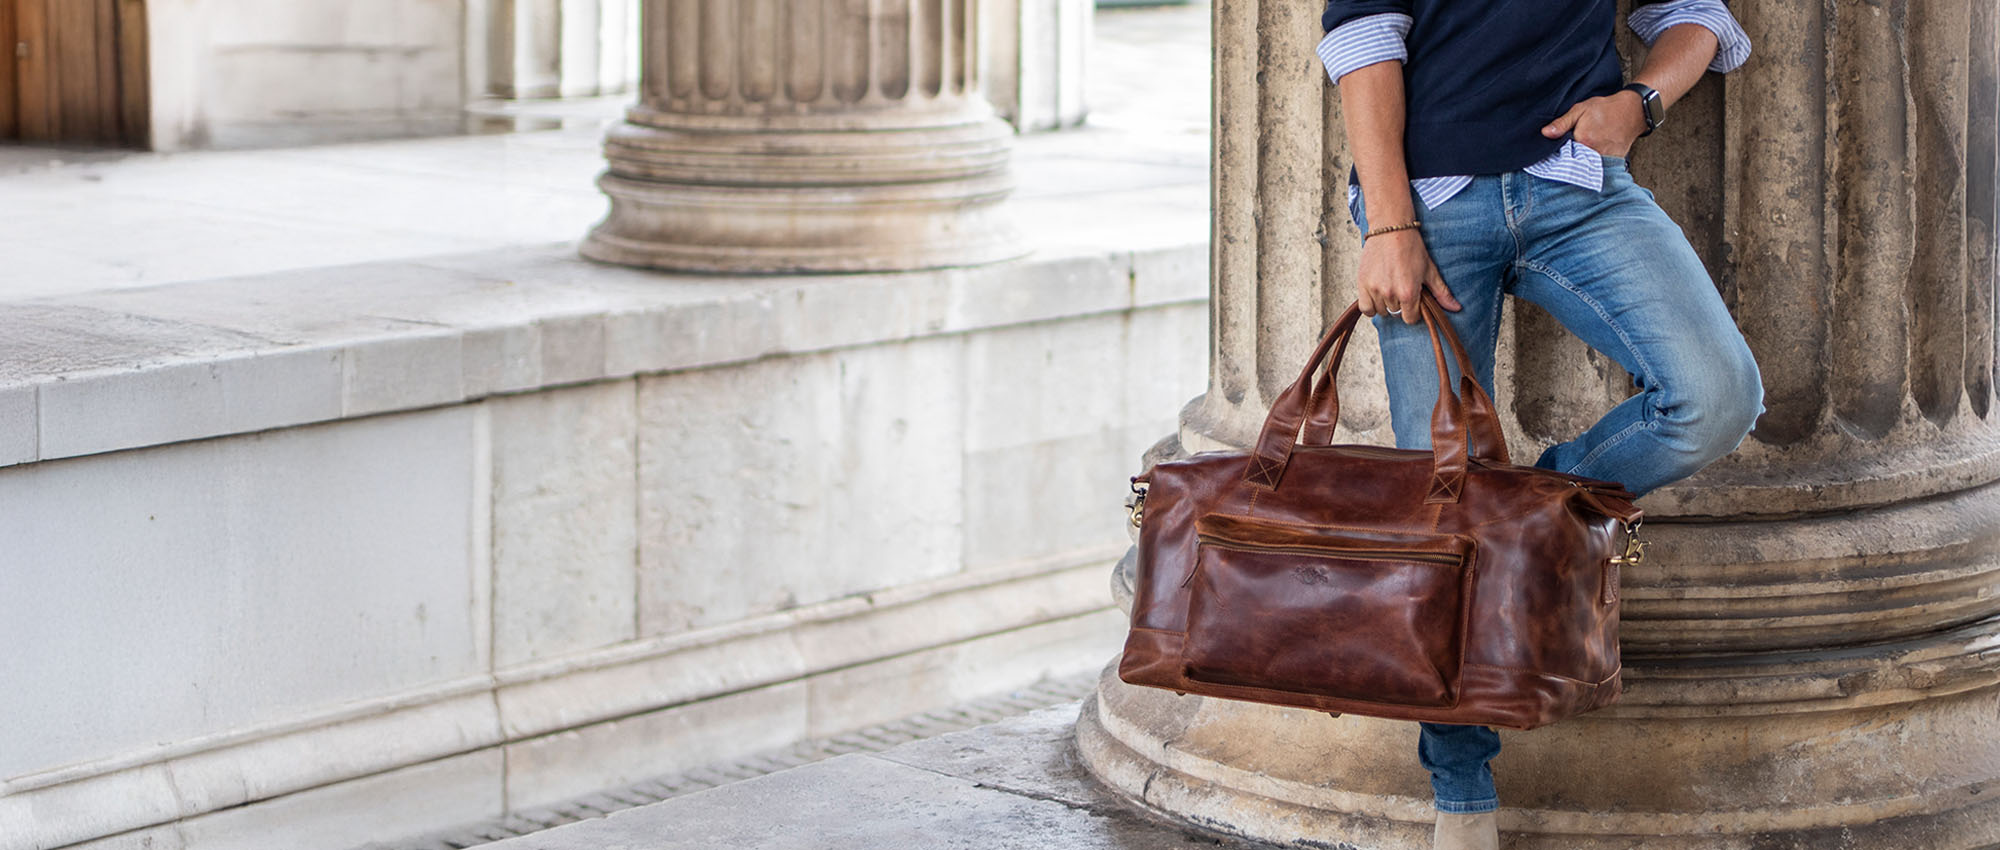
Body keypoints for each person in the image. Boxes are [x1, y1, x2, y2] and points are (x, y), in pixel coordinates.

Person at [1316, 1, 1767, 848]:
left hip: (1579, 191)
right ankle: (1461, 795)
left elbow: (1701, 17)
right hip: (1430, 204)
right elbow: (1363, 40)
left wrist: (1641, 104)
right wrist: (1389, 223)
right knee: (1437, 514)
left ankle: (1521, 517)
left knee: (1715, 396)